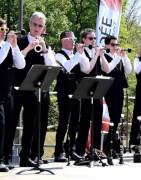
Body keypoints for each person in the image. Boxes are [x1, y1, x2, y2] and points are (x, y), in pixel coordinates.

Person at [10, 12, 56, 167]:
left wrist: (44, 50)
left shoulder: (46, 45)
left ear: (44, 28)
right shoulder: (19, 42)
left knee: (31, 124)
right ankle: (5, 156)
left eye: (40, 26)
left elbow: (52, 66)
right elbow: (16, 64)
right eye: (35, 25)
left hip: (34, 89)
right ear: (29, 25)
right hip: (17, 88)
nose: (37, 28)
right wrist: (29, 47)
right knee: (11, 122)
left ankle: (26, 157)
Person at [53, 31, 90, 162]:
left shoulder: (77, 54)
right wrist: (78, 54)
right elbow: (67, 67)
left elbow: (86, 68)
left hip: (77, 90)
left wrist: (82, 53)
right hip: (64, 91)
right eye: (72, 39)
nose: (74, 41)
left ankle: (71, 149)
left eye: (75, 39)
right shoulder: (58, 55)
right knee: (64, 121)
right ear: (64, 40)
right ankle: (58, 151)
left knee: (75, 121)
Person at [75, 29, 109, 158]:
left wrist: (101, 55)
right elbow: (87, 69)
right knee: (84, 120)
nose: (93, 41)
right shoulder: (81, 52)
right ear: (84, 39)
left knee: (97, 120)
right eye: (90, 38)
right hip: (85, 89)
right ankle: (80, 150)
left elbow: (107, 69)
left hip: (97, 89)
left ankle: (94, 150)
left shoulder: (97, 52)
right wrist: (96, 55)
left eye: (94, 38)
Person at [0, 18, 25, 172]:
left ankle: (4, 157)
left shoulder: (7, 46)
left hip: (8, 91)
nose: (4, 32)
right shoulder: (3, 46)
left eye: (5, 29)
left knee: (9, 124)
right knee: (1, 124)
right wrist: (8, 44)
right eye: (1, 29)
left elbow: (21, 65)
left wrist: (15, 47)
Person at [103, 35, 131, 158]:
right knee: (109, 120)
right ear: (107, 45)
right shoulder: (104, 56)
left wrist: (124, 57)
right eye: (113, 45)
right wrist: (118, 57)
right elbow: (108, 69)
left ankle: (113, 145)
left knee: (116, 119)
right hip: (108, 91)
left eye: (117, 44)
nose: (116, 47)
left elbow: (129, 70)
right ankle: (107, 147)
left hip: (119, 91)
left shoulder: (118, 57)